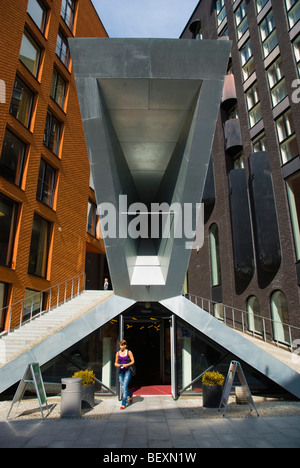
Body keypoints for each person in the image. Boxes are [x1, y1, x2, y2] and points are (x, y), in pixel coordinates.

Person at [115, 340, 135, 409]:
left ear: (125, 346)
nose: (120, 347)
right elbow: (115, 363)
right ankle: (130, 394)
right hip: (121, 371)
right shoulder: (118, 353)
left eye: (121, 345)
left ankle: (123, 403)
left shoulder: (129, 352)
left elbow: (133, 361)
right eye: (120, 345)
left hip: (127, 371)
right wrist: (118, 365)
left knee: (125, 386)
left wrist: (127, 364)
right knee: (122, 387)